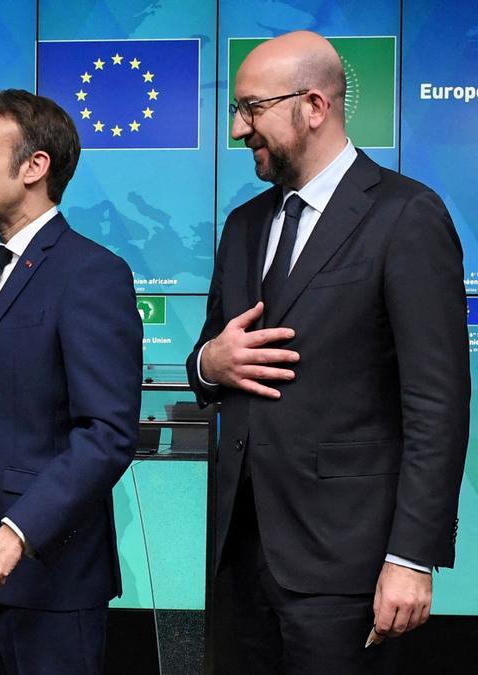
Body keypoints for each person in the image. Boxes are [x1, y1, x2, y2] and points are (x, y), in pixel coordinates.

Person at [187, 31, 469, 674]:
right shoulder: (242, 225)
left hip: (351, 568)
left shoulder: (407, 216)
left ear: (313, 105)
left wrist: (410, 559)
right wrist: (210, 364)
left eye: (251, 109)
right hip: (240, 558)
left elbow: (438, 404)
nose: (237, 130)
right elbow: (209, 353)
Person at [0, 89, 142, 674]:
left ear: (34, 167)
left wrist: (16, 533)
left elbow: (106, 433)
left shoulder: (92, 274)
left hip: (53, 582)